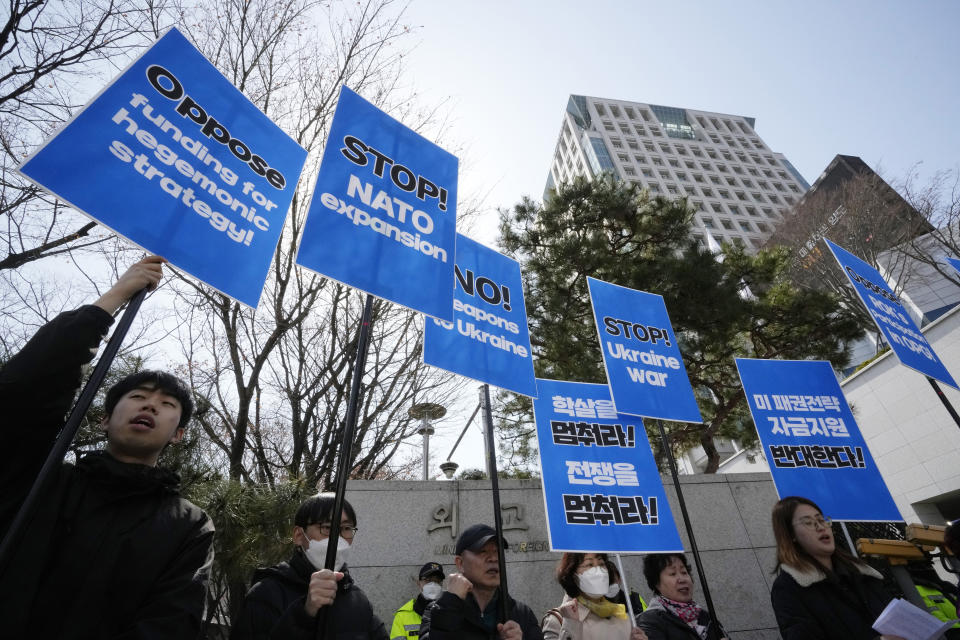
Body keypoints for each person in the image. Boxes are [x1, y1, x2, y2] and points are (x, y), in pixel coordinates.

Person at [0, 255, 215, 638]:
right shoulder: (42, 479)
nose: (150, 404)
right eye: (138, 396)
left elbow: (171, 623)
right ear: (104, 419)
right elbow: (25, 392)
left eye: (167, 405)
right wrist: (113, 299)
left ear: (177, 434)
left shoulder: (189, 526)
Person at [230, 493, 388, 639]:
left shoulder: (357, 599)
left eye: (346, 529)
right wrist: (303, 615)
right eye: (327, 527)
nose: (338, 538)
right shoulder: (266, 594)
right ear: (299, 535)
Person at [769, 496, 905, 640]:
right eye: (808, 522)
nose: (820, 527)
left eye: (821, 520)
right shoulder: (788, 588)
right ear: (791, 535)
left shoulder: (864, 574)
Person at [420, 523, 543, 640]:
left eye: (497, 552)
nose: (493, 558)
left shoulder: (522, 614)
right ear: (460, 563)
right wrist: (450, 605)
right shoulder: (439, 610)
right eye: (482, 552)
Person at [541, 552, 647, 640]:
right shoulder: (558, 620)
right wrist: (571, 624)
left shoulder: (620, 615)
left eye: (601, 564)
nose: (598, 572)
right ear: (573, 575)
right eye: (589, 565)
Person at [635, 554, 726, 640]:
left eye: (684, 572)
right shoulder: (649, 622)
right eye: (673, 574)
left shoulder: (706, 617)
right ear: (656, 583)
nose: (682, 579)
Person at [390, 561, 446, 640]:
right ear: (419, 583)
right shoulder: (403, 615)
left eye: (437, 581)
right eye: (428, 580)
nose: (433, 585)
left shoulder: (450, 612)